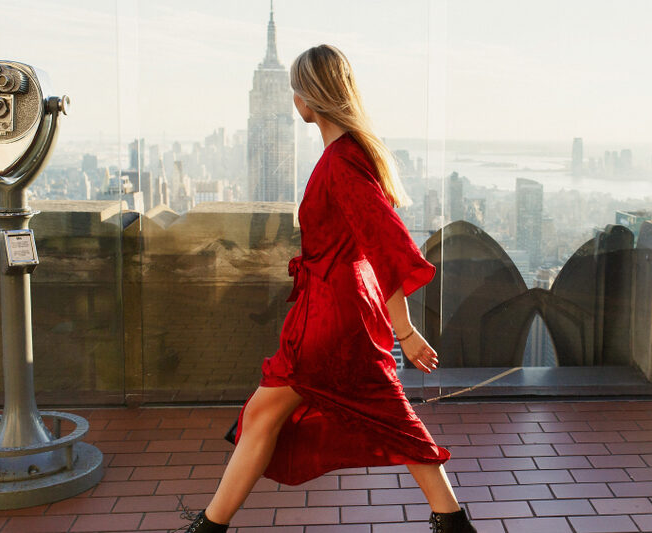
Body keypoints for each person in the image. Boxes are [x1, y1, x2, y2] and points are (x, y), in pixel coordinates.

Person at [175, 44, 476, 533]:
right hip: (326, 311)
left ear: (308, 100)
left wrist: (404, 331)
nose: (294, 99)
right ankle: (209, 527)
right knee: (265, 416)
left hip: (333, 318)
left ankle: (453, 520)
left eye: (297, 89)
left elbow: (385, 244)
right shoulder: (346, 154)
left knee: (384, 418)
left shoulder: (342, 161)